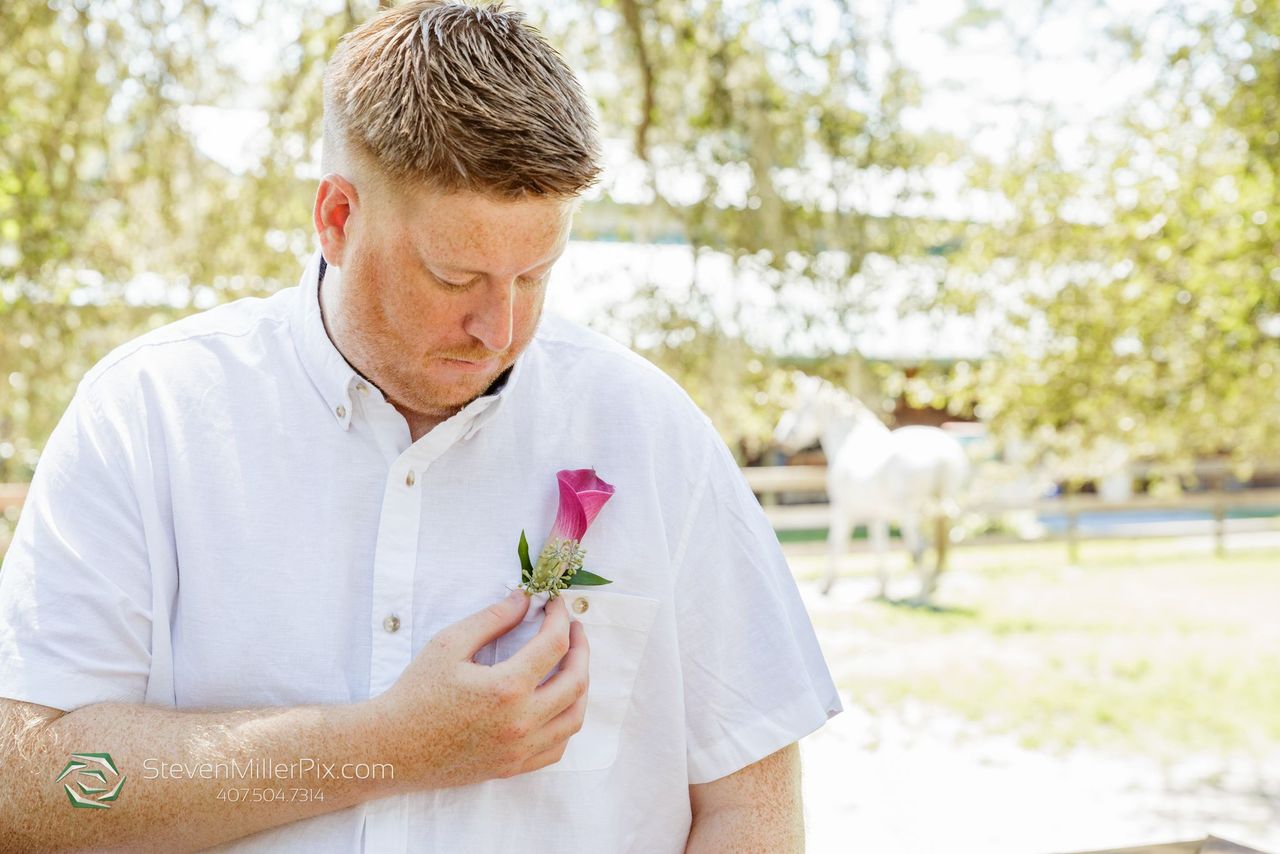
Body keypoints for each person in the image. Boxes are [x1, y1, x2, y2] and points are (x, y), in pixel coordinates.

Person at [0, 2, 842, 851]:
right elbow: (34, 788)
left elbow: (753, 800)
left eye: (536, 275)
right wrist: (384, 749)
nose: (501, 328)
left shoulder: (654, 433)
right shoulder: (148, 417)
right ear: (336, 218)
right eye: (453, 277)